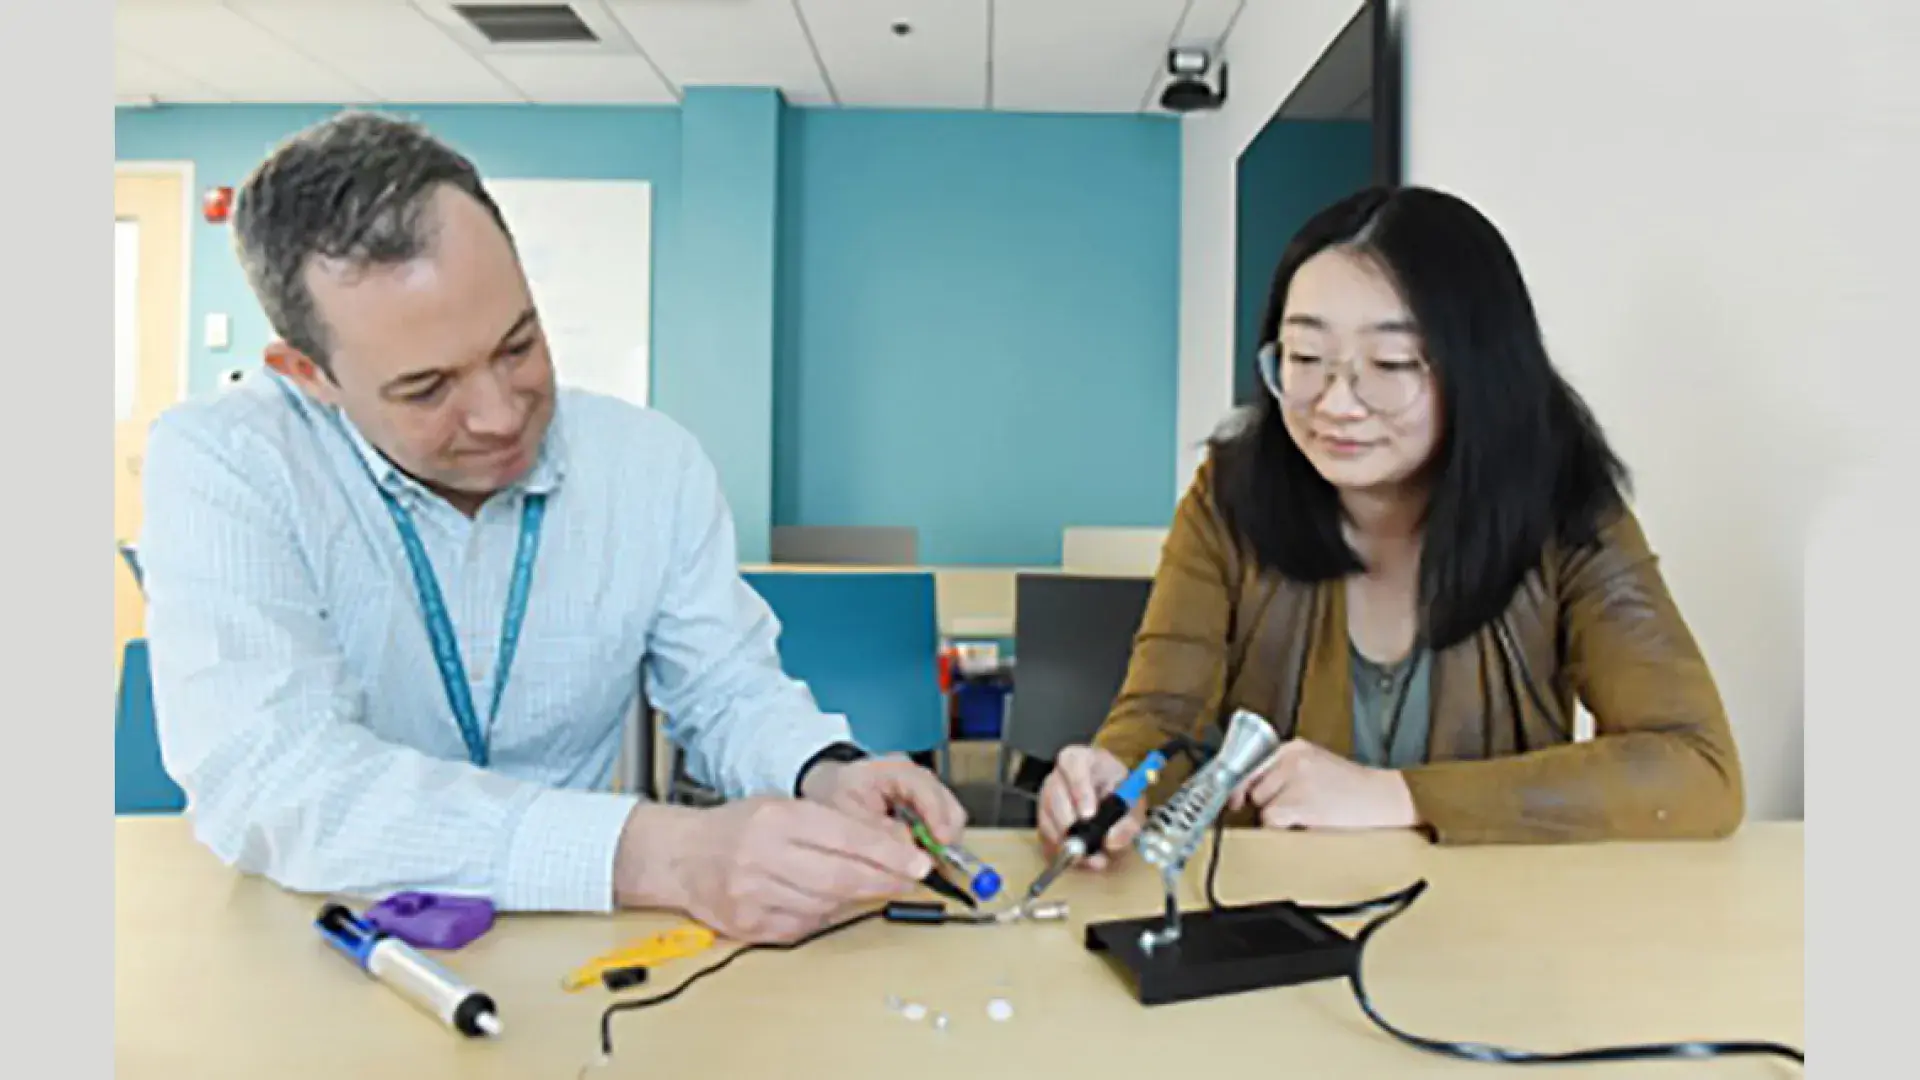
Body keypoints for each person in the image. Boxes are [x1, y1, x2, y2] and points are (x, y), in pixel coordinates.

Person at [138, 111, 966, 944]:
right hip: (333, 933)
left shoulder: (650, 464)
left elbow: (726, 689)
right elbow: (277, 777)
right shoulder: (228, 464)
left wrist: (821, 771)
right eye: (427, 388)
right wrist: (662, 854)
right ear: (309, 374)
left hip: (585, 938)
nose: (501, 417)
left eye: (518, 345)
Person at [1038, 186, 1745, 866]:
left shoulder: (1562, 507)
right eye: (1306, 359)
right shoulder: (1233, 495)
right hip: (1274, 930)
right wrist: (1111, 779)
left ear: (1479, 371)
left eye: (1391, 364)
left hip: (1498, 933)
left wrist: (1399, 796)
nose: (1336, 403)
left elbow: (1696, 768)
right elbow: (1160, 717)